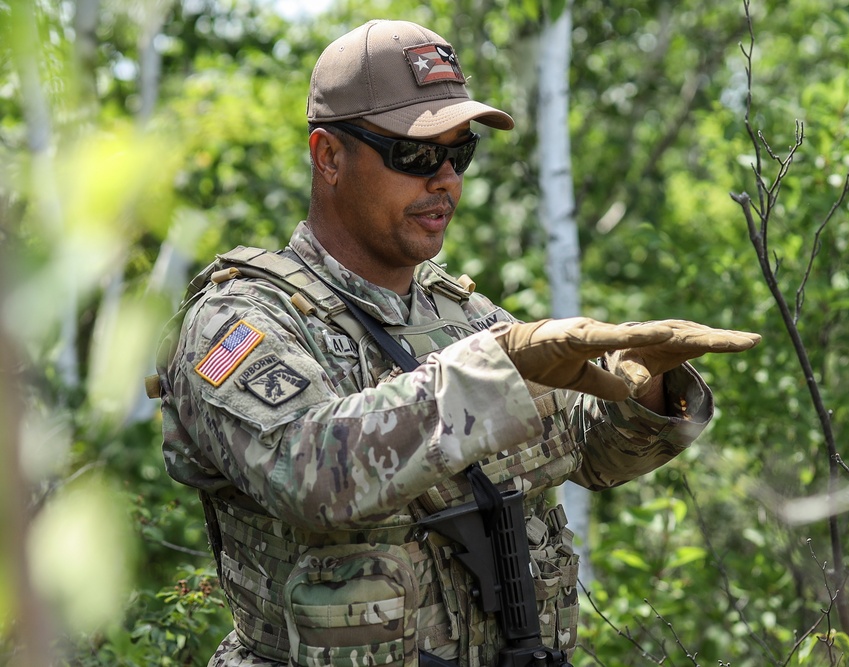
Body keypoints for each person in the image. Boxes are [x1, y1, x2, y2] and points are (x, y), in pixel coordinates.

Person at [149, 18, 760, 667]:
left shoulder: (458, 312)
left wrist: (644, 386)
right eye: (414, 155)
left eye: (458, 152)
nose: (444, 179)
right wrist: (496, 370)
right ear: (328, 155)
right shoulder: (238, 320)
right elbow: (310, 472)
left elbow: (591, 454)